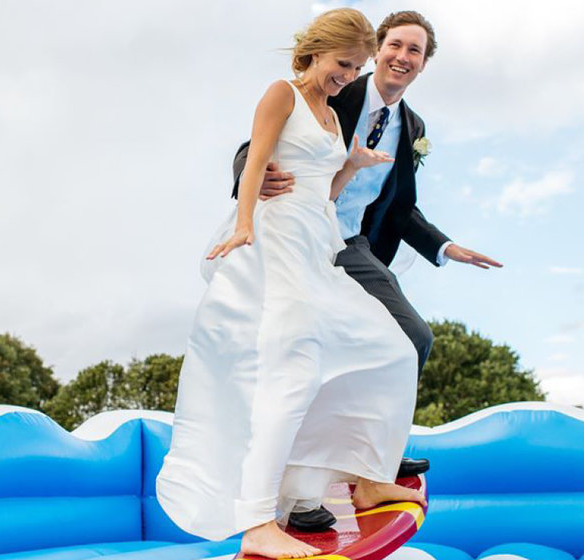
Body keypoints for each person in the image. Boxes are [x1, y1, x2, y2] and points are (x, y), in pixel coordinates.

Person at [156, 9, 426, 559]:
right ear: (315, 53)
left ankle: (368, 475)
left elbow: (321, 192)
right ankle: (258, 521)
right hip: (273, 244)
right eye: (343, 64)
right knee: (293, 371)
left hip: (316, 246)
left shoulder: (331, 113)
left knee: (391, 350)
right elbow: (254, 163)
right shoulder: (283, 93)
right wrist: (246, 226)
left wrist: (350, 168)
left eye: (356, 67)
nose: (349, 75)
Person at [231, 10, 502, 532]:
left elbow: (401, 210)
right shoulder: (342, 88)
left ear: (424, 65)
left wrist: (446, 247)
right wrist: (253, 177)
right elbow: (258, 142)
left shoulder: (411, 127)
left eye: (415, 51)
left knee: (411, 338)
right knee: (310, 352)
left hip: (351, 243)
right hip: (298, 229)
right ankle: (313, 483)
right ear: (377, 52)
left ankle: (370, 461)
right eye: (395, 45)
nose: (402, 57)